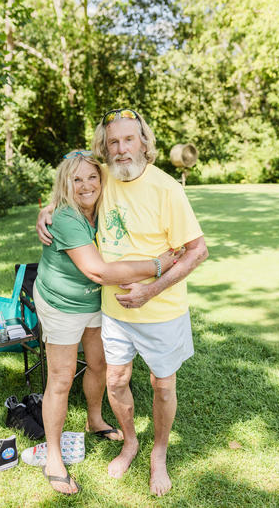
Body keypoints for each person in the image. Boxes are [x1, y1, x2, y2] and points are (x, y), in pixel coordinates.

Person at [37, 109, 208, 497]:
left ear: (144, 142)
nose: (121, 148)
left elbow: (198, 251)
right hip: (110, 309)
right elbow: (73, 182)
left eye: (128, 139)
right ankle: (130, 441)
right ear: (106, 148)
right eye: (113, 142)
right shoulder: (104, 175)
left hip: (161, 310)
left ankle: (158, 453)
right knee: (115, 379)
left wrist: (151, 287)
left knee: (162, 386)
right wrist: (47, 210)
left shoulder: (167, 188)